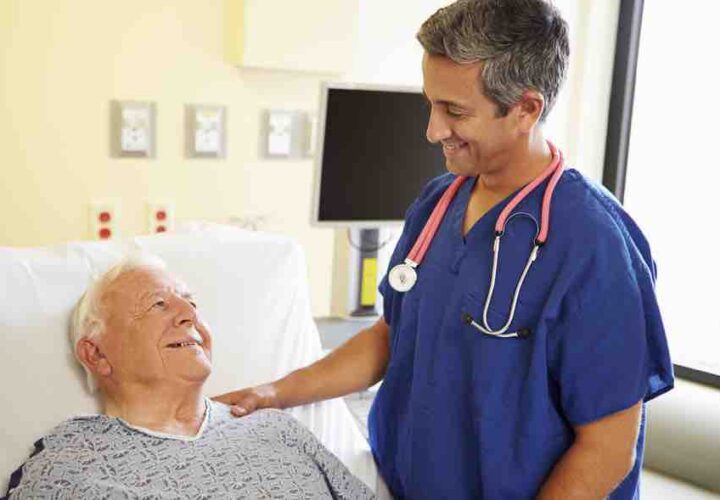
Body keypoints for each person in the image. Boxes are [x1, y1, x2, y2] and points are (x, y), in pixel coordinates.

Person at [215, 0, 674, 498]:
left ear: (526, 108)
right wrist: (278, 392)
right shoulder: (439, 202)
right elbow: (392, 335)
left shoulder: (596, 245)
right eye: (430, 104)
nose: (433, 131)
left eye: (454, 111)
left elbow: (607, 447)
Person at [4, 258, 373, 500]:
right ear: (96, 355)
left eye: (192, 303)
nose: (189, 315)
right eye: (158, 305)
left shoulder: (277, 431)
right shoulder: (67, 466)